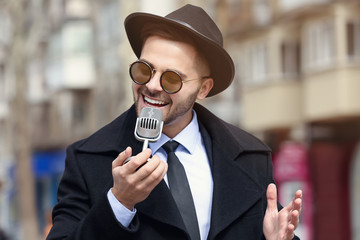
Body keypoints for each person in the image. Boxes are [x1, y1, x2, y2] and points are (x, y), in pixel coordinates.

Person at [47, 4, 302, 240]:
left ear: (204, 89)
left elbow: (273, 226)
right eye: (144, 70)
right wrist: (119, 203)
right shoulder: (88, 158)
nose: (151, 85)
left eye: (171, 79)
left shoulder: (250, 157)